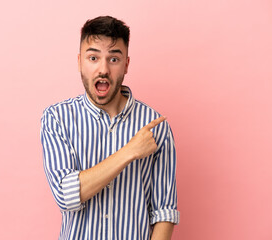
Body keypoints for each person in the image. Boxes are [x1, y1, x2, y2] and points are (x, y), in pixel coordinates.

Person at [41, 16, 179, 240]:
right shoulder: (57, 119)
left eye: (113, 59)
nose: (103, 69)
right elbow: (65, 195)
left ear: (126, 63)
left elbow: (164, 211)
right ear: (80, 62)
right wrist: (129, 152)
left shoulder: (155, 127)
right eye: (93, 57)